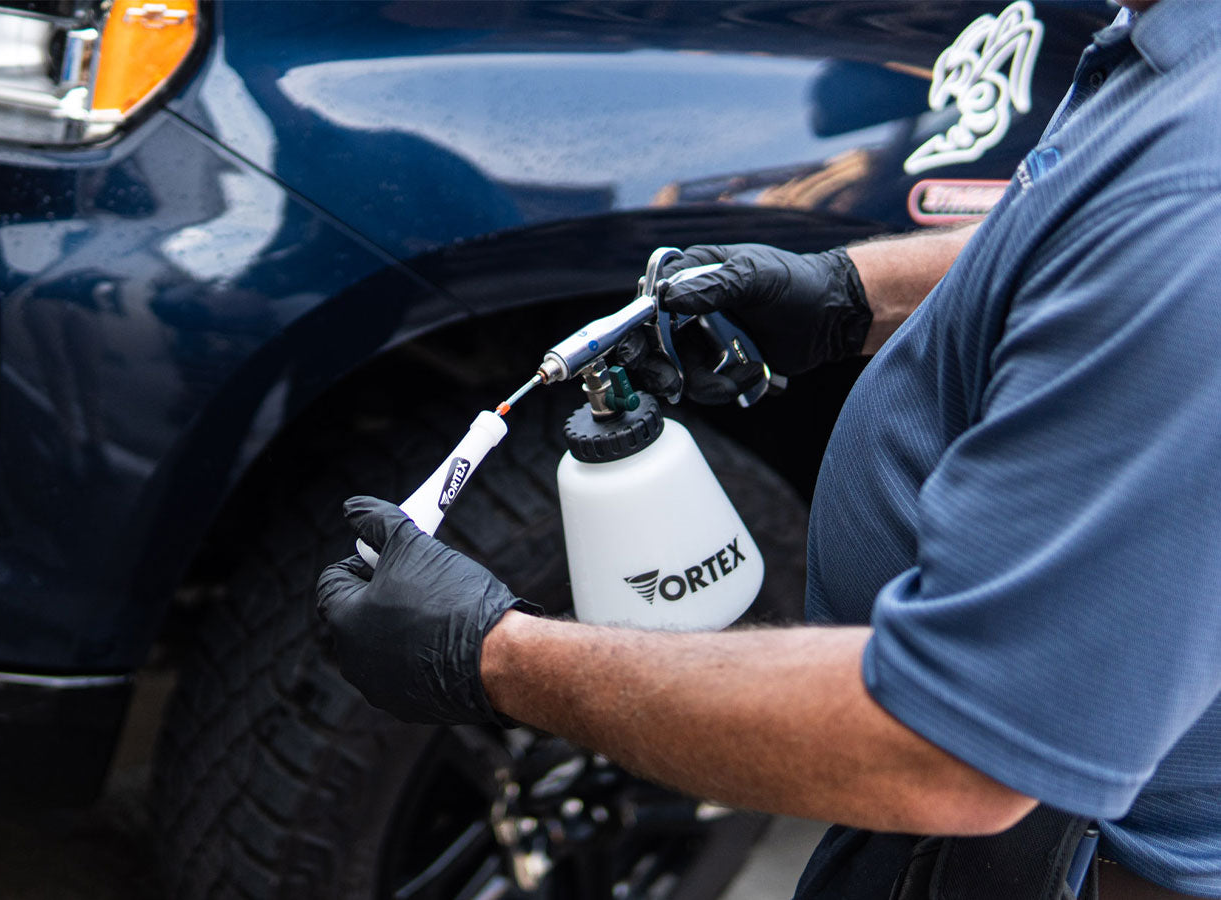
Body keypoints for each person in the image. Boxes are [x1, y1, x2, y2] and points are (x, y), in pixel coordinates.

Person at [316, 1, 1221, 897]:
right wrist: (854, 292)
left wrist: (494, 657)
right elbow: (1092, 234)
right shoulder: (1173, 50)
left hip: (1056, 864)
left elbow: (952, 754)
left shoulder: (1197, 198)